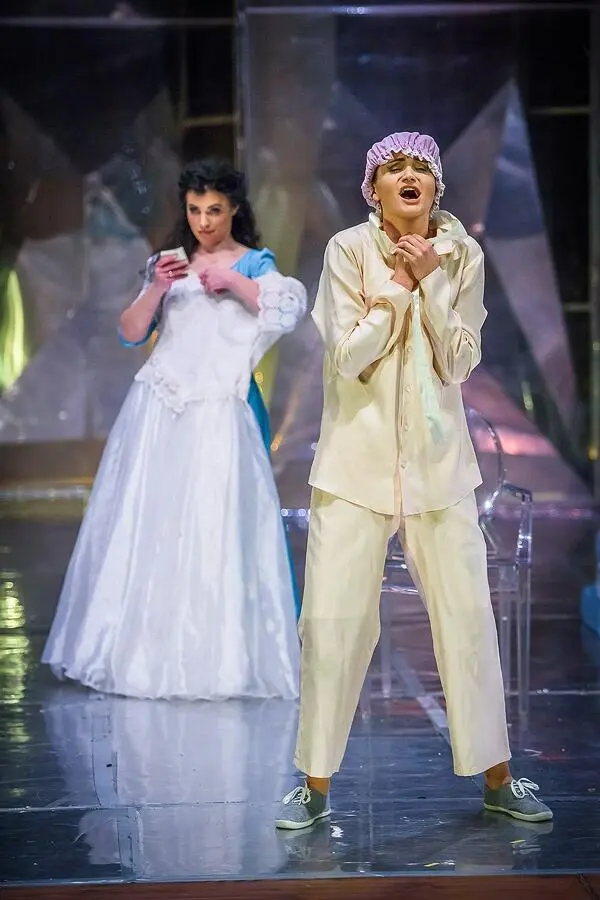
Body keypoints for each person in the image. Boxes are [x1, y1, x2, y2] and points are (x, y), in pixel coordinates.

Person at [275, 132, 553, 828]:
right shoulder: (348, 250)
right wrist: (397, 288)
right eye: (393, 168)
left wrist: (431, 280)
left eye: (421, 168)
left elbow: (458, 362)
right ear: (373, 189)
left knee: (467, 622)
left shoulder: (464, 255)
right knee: (331, 625)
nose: (409, 177)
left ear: (436, 186)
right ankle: (313, 786)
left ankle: (499, 780)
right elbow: (347, 357)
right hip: (353, 468)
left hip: (440, 468)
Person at [42, 158, 306, 700]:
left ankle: (215, 661)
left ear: (234, 209)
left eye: (214, 210)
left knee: (212, 526)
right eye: (195, 210)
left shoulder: (255, 264)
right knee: (152, 525)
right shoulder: (169, 264)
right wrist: (157, 288)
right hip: (160, 409)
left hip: (218, 412)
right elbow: (130, 331)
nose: (204, 221)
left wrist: (233, 280)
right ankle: (144, 654)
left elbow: (285, 309)